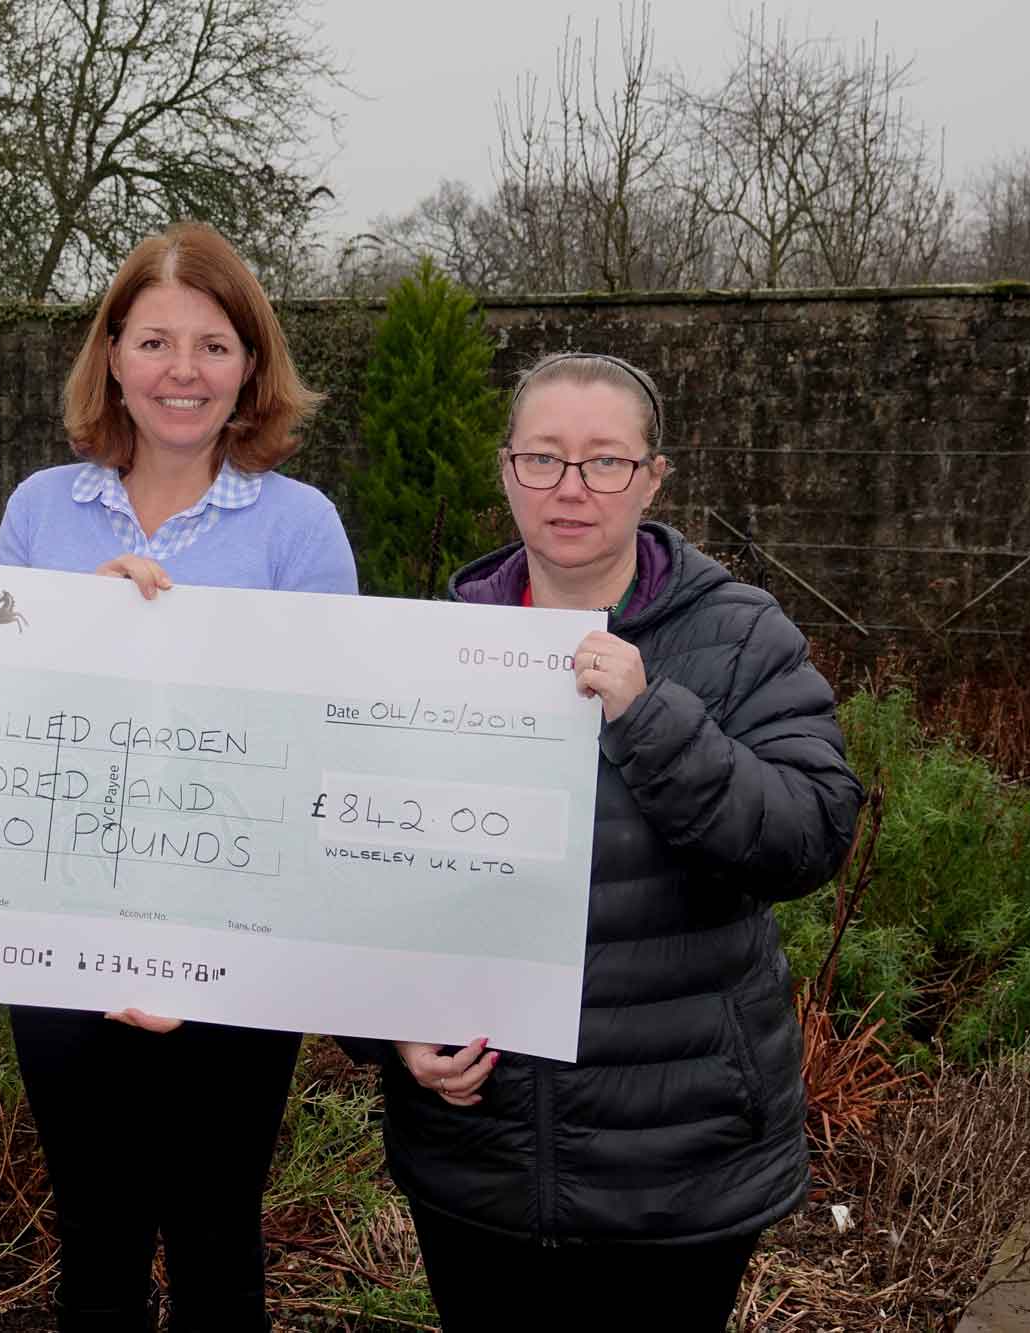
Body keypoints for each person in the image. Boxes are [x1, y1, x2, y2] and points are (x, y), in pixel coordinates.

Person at [375, 351, 864, 1330]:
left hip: (675, 1163)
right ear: (504, 470)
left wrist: (647, 717)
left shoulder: (735, 635)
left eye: (603, 461)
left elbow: (810, 834)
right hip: (481, 1158)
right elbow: (365, 871)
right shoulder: (430, 647)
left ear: (651, 477)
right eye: (542, 458)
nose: (570, 488)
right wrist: (389, 1028)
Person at [0, 221, 359, 1333]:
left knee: (214, 1243)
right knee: (94, 1246)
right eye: (154, 342)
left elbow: (322, 745)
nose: (181, 372)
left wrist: (200, 960)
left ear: (250, 362)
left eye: (211, 345)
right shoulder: (38, 511)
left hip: (235, 949)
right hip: (63, 941)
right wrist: (78, 632)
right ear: (110, 354)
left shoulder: (300, 528)